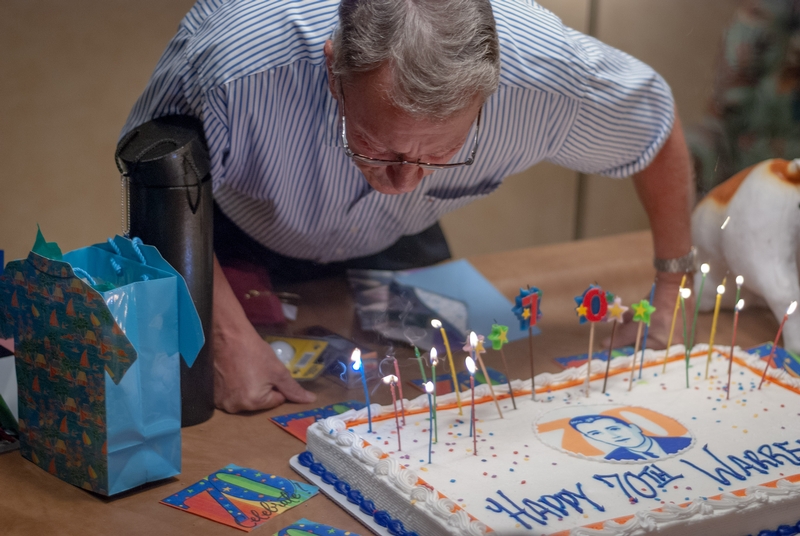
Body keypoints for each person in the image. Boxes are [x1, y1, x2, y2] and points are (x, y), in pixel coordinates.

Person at [122, 0, 695, 414]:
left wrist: (671, 285)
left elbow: (654, 131)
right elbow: (154, 169)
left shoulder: (549, 79)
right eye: (375, 145)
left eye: (441, 156)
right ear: (333, 69)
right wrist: (223, 336)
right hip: (231, 238)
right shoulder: (236, 65)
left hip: (399, 245)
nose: (401, 180)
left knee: (428, 421)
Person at [569, 415, 692, 461]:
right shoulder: (613, 459)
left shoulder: (685, 443)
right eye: (596, 434)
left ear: (635, 427)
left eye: (614, 429)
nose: (613, 436)